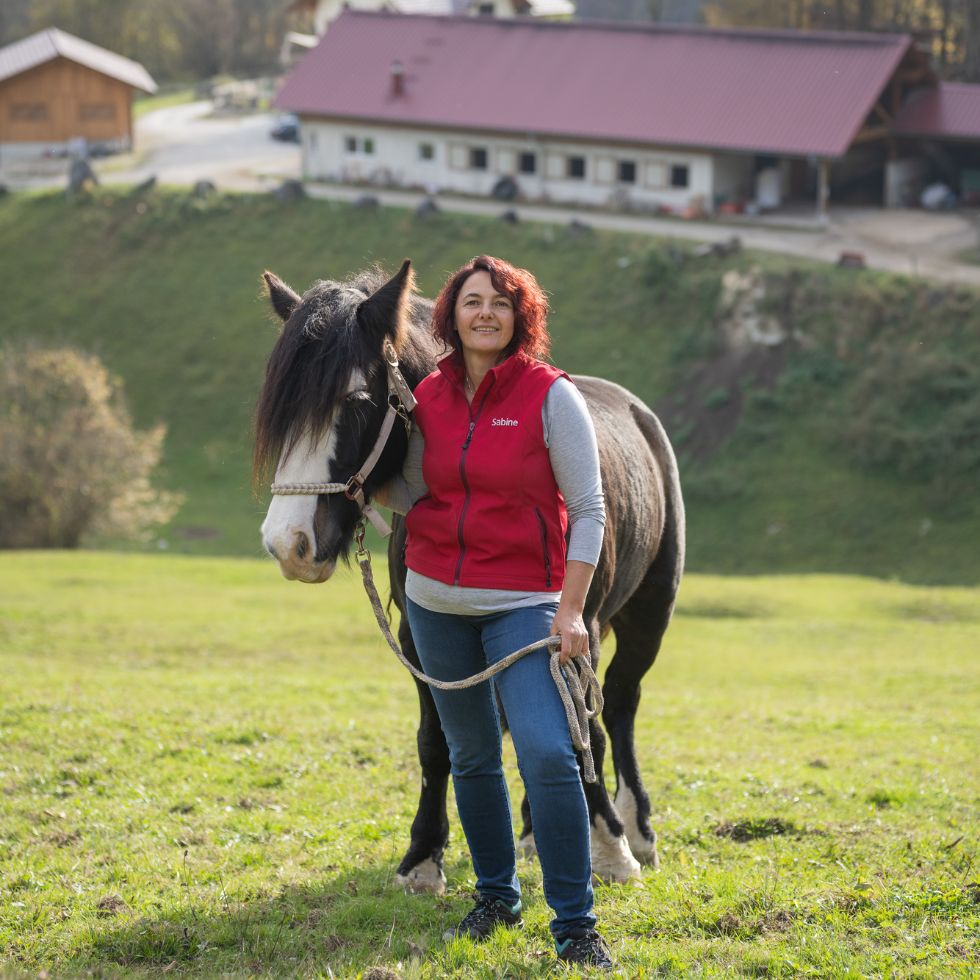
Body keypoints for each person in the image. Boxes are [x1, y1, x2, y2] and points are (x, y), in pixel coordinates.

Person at [381, 255, 611, 969]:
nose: (485, 313)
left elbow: (591, 511)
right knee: (471, 756)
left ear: (521, 318)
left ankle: (575, 924)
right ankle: (497, 897)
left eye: (501, 303)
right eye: (472, 301)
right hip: (433, 605)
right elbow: (414, 491)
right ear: (448, 315)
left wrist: (571, 610)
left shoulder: (550, 396)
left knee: (547, 754)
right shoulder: (426, 396)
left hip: (525, 608)